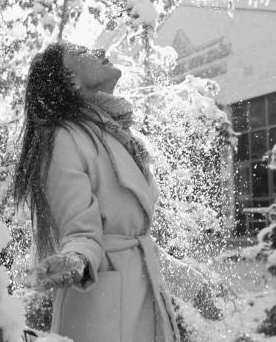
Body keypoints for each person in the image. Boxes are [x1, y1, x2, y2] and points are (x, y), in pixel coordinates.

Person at [14, 42, 218, 342]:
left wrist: (193, 286)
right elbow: (81, 233)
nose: (99, 51)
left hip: (139, 309)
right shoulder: (63, 138)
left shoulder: (112, 134)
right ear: (72, 80)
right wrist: (75, 260)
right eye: (81, 53)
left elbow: (136, 244)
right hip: (101, 317)